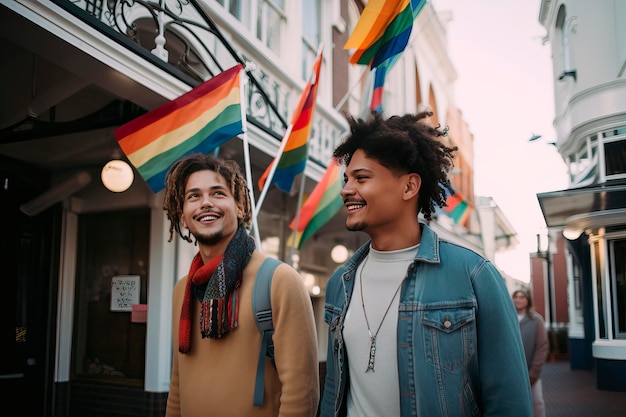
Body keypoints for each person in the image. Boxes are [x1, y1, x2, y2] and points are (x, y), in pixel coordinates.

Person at [319, 112, 533, 417]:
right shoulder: (339, 282)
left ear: (409, 187)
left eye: (361, 178)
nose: (346, 189)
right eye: (346, 179)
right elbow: (335, 391)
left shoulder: (474, 276)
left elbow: (509, 402)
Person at [163, 153, 319, 417]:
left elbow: (301, 393)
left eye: (218, 193)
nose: (205, 203)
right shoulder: (183, 290)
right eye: (194, 196)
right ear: (183, 216)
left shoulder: (279, 280)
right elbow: (178, 384)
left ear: (240, 207)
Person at [512, 289, 549, 417]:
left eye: (522, 297)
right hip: (512, 373)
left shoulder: (536, 320)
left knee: (536, 402)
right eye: (516, 297)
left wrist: (534, 372)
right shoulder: (508, 319)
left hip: (531, 372)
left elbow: (542, 347)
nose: (518, 300)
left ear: (528, 300)